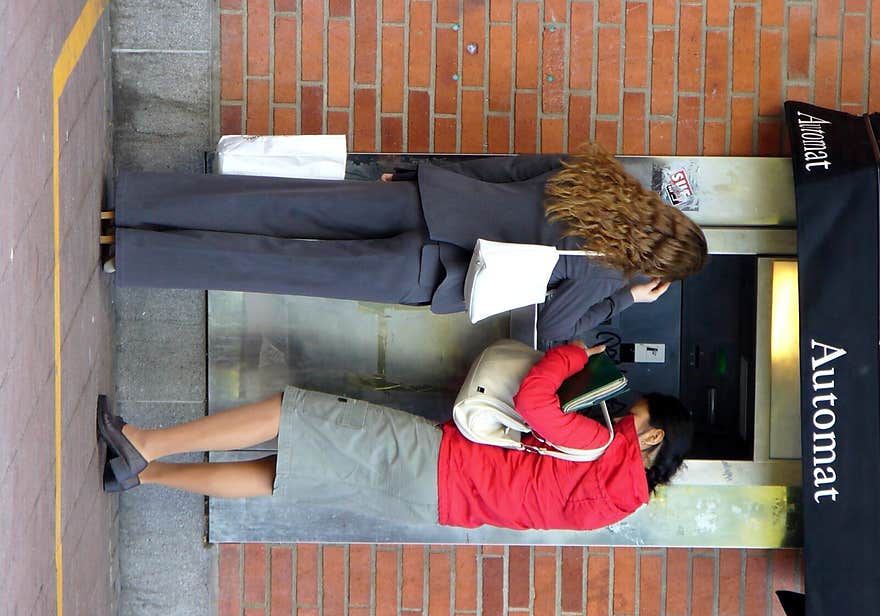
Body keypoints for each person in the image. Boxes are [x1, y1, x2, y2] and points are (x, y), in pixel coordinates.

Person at [105, 144, 708, 346]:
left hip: (431, 202)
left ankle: (133, 204)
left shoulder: (597, 178)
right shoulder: (606, 274)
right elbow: (551, 330)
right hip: (433, 272)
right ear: (659, 265)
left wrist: (423, 170)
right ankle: (135, 254)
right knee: (279, 267)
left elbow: (503, 167)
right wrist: (628, 303)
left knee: (276, 200)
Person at [97, 341, 694, 531]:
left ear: (652, 438)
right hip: (432, 505)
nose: (621, 416)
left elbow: (537, 402)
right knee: (277, 475)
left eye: (634, 415)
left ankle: (146, 444)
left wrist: (572, 355)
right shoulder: (614, 509)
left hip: (432, 461)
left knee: (291, 413)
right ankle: (143, 475)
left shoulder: (601, 445)